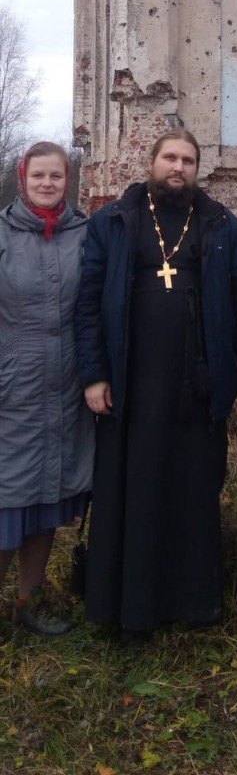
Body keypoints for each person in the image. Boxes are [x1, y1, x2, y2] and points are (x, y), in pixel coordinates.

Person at [74, 130, 237, 639]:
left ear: (197, 168)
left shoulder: (221, 223)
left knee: (193, 491)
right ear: (151, 161)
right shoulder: (114, 220)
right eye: (169, 158)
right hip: (129, 385)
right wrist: (93, 374)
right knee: (130, 491)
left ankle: (192, 605)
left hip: (196, 385)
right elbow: (89, 302)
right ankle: (128, 609)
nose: (178, 167)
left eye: (188, 160)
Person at [0, 141, 93, 635]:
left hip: (67, 387)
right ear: (23, 177)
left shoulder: (83, 235)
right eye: (38, 176)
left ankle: (25, 606)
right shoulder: (2, 233)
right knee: (8, 503)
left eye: (56, 176)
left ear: (67, 179)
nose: (47, 184)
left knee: (47, 503)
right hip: (12, 390)